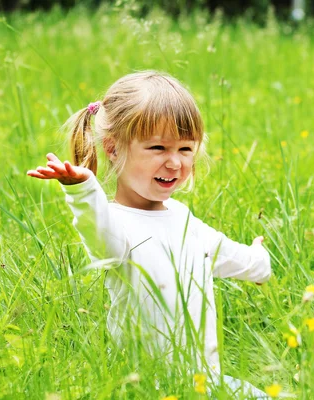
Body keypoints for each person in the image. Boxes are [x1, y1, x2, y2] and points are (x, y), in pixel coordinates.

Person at [27, 71, 271, 398]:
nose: (174, 163)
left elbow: (226, 253)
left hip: (204, 382)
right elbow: (104, 243)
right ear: (113, 149)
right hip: (142, 384)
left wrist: (258, 260)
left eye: (186, 149)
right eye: (158, 147)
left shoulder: (185, 220)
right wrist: (83, 190)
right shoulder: (117, 225)